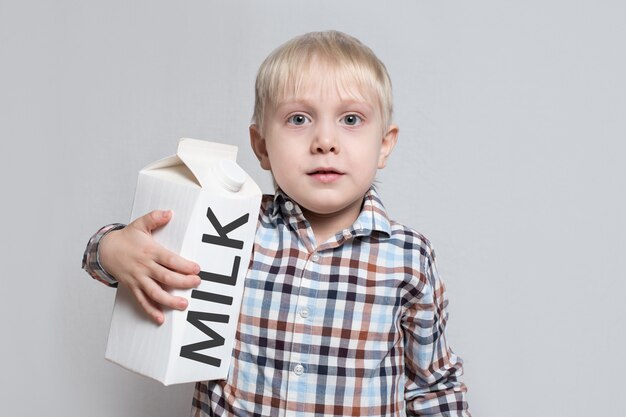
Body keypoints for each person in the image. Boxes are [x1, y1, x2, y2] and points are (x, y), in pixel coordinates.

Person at [82, 30, 470, 416]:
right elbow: (108, 258)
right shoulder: (229, 227)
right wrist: (112, 248)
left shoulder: (408, 256)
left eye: (351, 119)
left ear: (384, 144)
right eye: (298, 119)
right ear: (262, 145)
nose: (325, 141)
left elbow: (434, 386)